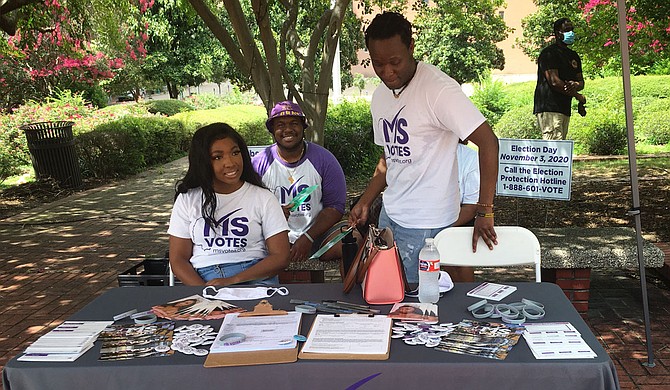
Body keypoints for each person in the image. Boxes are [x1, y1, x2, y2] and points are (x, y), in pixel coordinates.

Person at [349, 11, 499, 284]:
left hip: (427, 221)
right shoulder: (381, 95)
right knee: (388, 290)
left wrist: (485, 210)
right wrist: (366, 200)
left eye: (395, 62)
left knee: (414, 301)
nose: (387, 72)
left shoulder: (438, 89)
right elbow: (389, 157)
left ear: (411, 47)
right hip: (390, 213)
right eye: (378, 63)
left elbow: (488, 142)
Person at [167, 122, 290, 286]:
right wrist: (204, 293)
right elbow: (178, 260)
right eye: (217, 157)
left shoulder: (264, 198)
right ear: (202, 161)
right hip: (204, 280)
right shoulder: (188, 199)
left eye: (235, 152)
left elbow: (281, 257)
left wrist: (232, 280)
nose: (230, 163)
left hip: (255, 279)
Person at [252, 101, 352, 264]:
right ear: (272, 130)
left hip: (317, 237)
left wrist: (307, 237)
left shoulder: (324, 160)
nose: (288, 129)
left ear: (303, 127)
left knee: (351, 239)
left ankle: (349, 289)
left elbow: (335, 207)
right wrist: (270, 214)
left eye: (294, 123)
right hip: (272, 240)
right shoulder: (259, 163)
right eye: (280, 125)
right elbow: (247, 206)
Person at [533, 17, 587, 141]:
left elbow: (581, 82)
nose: (571, 33)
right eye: (567, 30)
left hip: (564, 108)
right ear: (558, 33)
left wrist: (576, 85)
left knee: (561, 145)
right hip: (549, 107)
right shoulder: (549, 54)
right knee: (554, 147)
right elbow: (554, 82)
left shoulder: (573, 56)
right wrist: (578, 96)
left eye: (572, 29)